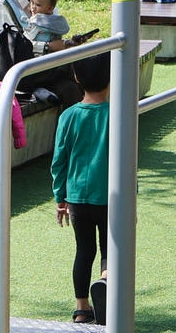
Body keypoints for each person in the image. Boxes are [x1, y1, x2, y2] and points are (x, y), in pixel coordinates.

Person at [51, 53, 111, 325]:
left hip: (77, 197)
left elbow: (59, 160)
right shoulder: (117, 114)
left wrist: (60, 198)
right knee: (110, 249)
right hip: (110, 196)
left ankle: (81, 307)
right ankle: (106, 281)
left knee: (83, 250)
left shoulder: (68, 116)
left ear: (76, 78)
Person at [0, 0, 83, 104]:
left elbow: (51, 31)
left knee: (75, 82)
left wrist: (67, 43)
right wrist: (48, 47)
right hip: (17, 68)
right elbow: (11, 46)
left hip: (43, 66)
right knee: (71, 79)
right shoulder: (3, 4)